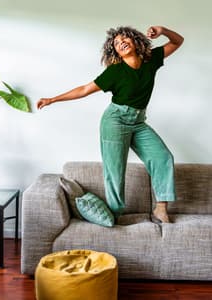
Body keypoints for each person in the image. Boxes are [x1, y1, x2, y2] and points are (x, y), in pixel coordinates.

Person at [37, 25, 184, 223]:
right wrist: (52, 99)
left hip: (139, 122)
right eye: (116, 43)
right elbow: (84, 89)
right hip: (115, 121)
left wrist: (163, 30)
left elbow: (177, 41)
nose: (121, 42)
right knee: (115, 170)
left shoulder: (151, 59)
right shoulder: (115, 72)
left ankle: (160, 208)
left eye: (125, 38)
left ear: (135, 40)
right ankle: (114, 216)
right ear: (114, 51)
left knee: (162, 157)